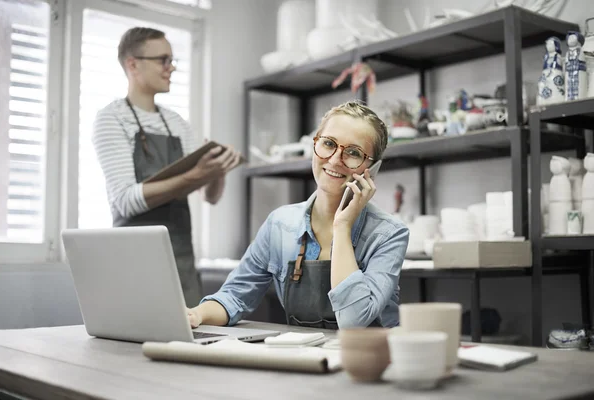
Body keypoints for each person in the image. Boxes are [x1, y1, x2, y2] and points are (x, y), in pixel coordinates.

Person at [187, 101, 409, 329]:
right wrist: (196, 314)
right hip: (305, 358)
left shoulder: (388, 235)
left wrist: (342, 227)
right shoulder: (280, 225)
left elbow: (353, 322)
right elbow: (234, 297)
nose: (334, 159)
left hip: (369, 359)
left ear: (372, 169)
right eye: (328, 143)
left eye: (353, 153)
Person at [92, 27, 241, 307]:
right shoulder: (111, 119)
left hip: (180, 261)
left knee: (189, 343)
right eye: (163, 60)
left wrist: (216, 170)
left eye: (172, 60)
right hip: (132, 263)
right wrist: (195, 174)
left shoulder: (177, 124)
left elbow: (209, 196)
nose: (170, 67)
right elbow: (126, 201)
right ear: (132, 64)